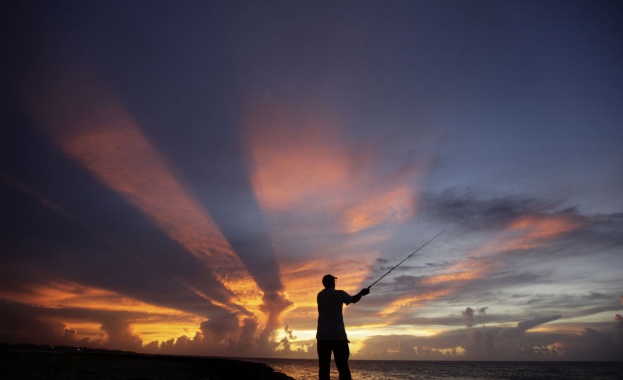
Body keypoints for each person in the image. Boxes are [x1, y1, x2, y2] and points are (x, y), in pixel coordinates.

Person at [316, 274, 370, 380]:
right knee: (343, 367)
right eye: (334, 281)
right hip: (339, 337)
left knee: (323, 368)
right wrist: (362, 293)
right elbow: (353, 299)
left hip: (322, 337)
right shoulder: (339, 294)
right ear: (332, 283)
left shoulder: (320, 295)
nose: (335, 283)